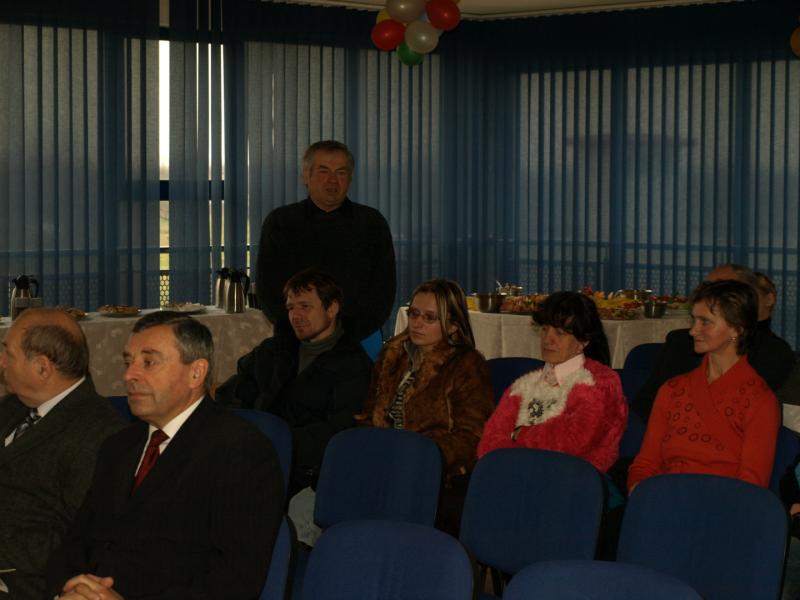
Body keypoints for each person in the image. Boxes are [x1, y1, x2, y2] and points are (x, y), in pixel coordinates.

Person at [45, 311, 283, 600]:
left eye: (149, 362)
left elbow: (233, 583)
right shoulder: (119, 446)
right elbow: (75, 543)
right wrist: (69, 590)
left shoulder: (241, 451)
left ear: (196, 373)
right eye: (128, 362)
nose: (129, 375)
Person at [0, 309, 125, 600]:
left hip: (21, 582)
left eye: (9, 354)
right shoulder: (15, 406)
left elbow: (76, 540)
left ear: (43, 368)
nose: (1, 362)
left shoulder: (100, 434)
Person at [216, 268, 372, 494]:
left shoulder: (353, 365)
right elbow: (233, 393)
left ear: (332, 308)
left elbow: (341, 429)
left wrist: (275, 442)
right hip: (248, 454)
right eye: (291, 308)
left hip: (306, 473)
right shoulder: (274, 350)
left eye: (305, 307)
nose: (296, 316)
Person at [357, 279, 494, 533]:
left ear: (453, 326)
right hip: (385, 463)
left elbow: (472, 436)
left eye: (429, 318)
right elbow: (368, 414)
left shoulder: (466, 365)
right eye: (414, 314)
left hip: (437, 475)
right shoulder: (391, 355)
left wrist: (419, 455)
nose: (417, 323)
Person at [628, 280, 780, 492]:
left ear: (737, 329)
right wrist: (638, 490)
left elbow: (751, 485)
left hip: (722, 503)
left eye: (705, 322)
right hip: (666, 498)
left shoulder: (759, 400)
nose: (693, 331)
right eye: (694, 320)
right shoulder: (673, 390)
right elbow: (646, 462)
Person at [256, 140, 396, 341]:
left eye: (341, 172)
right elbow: (268, 292)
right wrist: (304, 332)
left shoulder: (372, 223)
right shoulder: (281, 222)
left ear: (350, 178)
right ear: (306, 176)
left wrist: (344, 337)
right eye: (324, 171)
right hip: (296, 339)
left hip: (358, 340)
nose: (332, 180)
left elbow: (383, 293)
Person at [478, 291, 628, 474]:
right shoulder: (525, 384)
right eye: (545, 329)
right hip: (520, 476)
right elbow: (489, 444)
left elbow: (573, 441)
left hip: (575, 480)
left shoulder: (600, 382)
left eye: (560, 333)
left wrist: (520, 434)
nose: (547, 339)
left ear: (583, 341)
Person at [632, 264, 795, 422]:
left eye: (725, 290)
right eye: (709, 287)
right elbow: (646, 405)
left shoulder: (771, 353)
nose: (694, 331)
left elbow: (748, 416)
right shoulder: (680, 343)